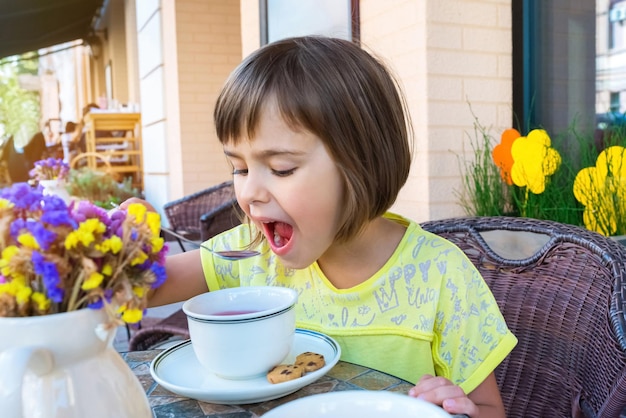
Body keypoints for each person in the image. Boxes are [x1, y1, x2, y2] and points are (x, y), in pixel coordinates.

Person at [123, 36, 517, 417]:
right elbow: (141, 288)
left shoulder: (441, 276)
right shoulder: (252, 252)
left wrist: (450, 406)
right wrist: (120, 244)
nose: (249, 192)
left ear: (362, 163)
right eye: (239, 168)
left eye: (281, 168)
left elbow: (487, 410)